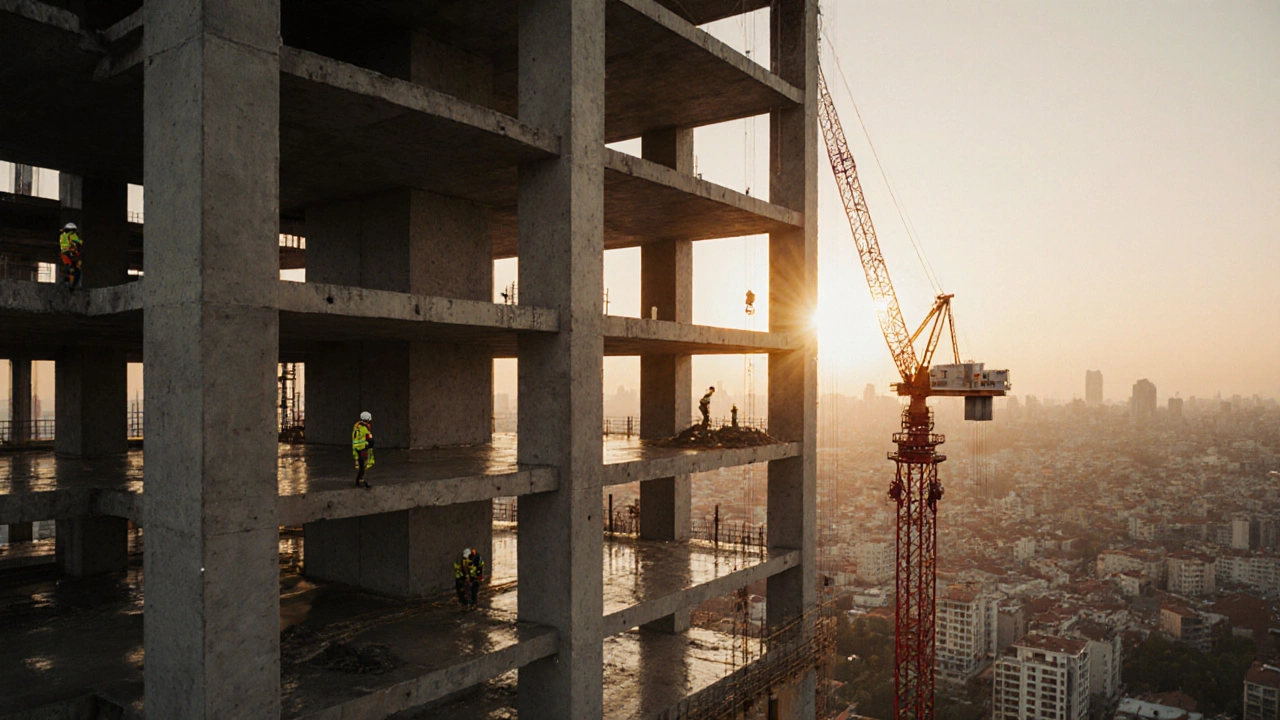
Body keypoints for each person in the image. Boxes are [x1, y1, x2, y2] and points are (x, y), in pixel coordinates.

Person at [352, 411, 375, 488]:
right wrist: (371, 446)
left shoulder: (356, 427)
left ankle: (359, 480)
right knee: (363, 466)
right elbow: (370, 439)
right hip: (363, 448)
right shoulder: (365, 429)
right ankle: (360, 481)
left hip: (356, 448)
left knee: (361, 465)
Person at [59, 222, 83, 289]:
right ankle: (72, 285)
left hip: (65, 255)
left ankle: (67, 283)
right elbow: (78, 243)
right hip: (71, 255)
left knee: (68, 269)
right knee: (76, 270)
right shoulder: (71, 235)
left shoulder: (62, 236)